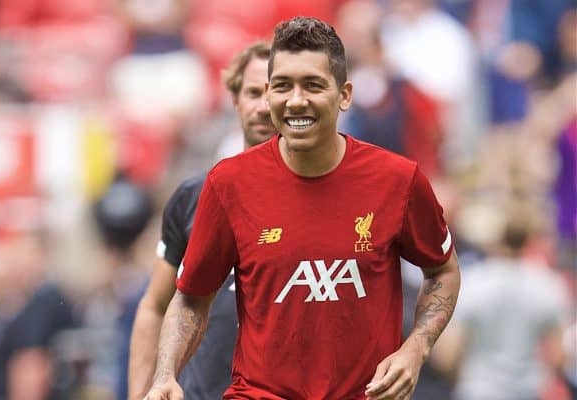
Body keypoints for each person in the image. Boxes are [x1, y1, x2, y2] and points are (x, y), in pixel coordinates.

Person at [144, 17, 461, 400]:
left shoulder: (398, 180)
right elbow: (192, 296)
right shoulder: (228, 184)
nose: (296, 100)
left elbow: (442, 269)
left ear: (344, 95)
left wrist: (416, 348)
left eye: (312, 85)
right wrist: (165, 375)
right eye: (282, 86)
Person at [128, 42, 276, 400]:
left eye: (275, 92)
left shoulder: (324, 200)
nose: (263, 106)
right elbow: (155, 306)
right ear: (235, 99)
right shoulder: (194, 198)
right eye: (253, 92)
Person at [431, 214, 570, 400]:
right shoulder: (548, 285)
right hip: (528, 391)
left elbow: (446, 356)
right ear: (529, 240)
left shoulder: (473, 282)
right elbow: (559, 358)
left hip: (478, 390)